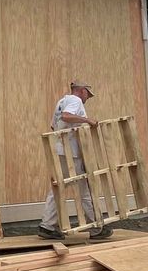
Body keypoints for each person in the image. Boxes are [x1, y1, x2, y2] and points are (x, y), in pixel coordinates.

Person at [38, 80, 112, 240]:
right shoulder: (75, 100)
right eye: (88, 95)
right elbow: (66, 116)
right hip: (72, 154)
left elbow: (54, 125)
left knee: (58, 188)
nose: (87, 99)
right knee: (84, 188)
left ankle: (47, 225)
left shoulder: (61, 101)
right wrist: (87, 120)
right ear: (83, 91)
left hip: (61, 151)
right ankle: (96, 227)